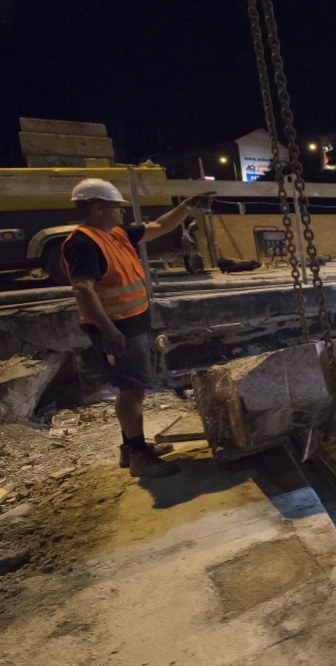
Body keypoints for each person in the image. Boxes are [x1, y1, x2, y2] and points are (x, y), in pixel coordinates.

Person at [63, 179, 212, 478]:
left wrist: (186, 206)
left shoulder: (114, 234)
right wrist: (107, 330)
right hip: (118, 329)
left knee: (131, 387)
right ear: (97, 208)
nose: (122, 213)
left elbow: (158, 226)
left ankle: (130, 449)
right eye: (117, 208)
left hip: (131, 324)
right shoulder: (83, 243)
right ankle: (140, 456)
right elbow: (82, 289)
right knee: (132, 390)